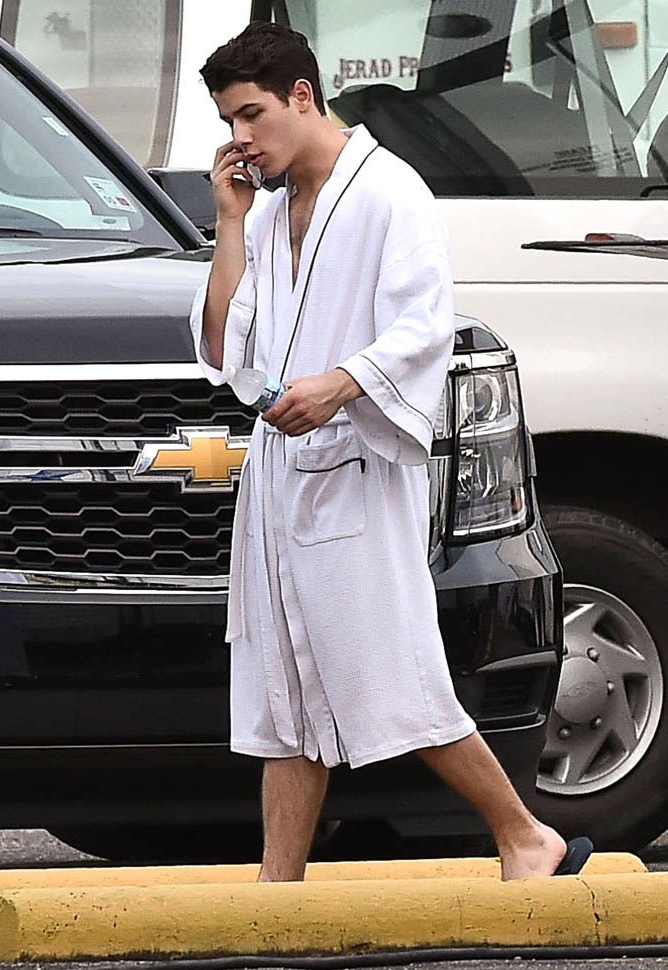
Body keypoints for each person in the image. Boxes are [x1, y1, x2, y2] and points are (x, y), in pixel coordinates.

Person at [190, 21, 591, 883]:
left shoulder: (388, 192)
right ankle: (277, 888)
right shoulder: (266, 212)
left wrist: (339, 385)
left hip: (358, 470)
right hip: (280, 478)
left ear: (303, 95)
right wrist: (229, 222)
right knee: (285, 692)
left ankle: (526, 835)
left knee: (394, 672)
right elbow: (224, 347)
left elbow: (423, 327)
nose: (240, 138)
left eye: (252, 114)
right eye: (228, 122)